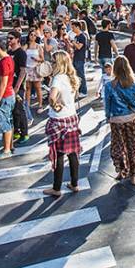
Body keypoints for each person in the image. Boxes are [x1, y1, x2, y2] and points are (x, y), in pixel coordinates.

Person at [43, 51, 82, 197]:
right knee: (72, 153)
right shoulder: (70, 77)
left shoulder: (57, 79)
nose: (51, 64)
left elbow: (52, 98)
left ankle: (56, 188)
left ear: (58, 63)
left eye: (53, 62)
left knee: (59, 155)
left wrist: (55, 106)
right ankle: (74, 184)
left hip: (59, 120)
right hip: (71, 118)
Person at [103, 56, 135, 185]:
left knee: (118, 146)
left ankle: (122, 171)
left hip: (116, 120)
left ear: (115, 69)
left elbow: (107, 104)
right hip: (131, 118)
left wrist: (108, 117)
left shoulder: (109, 85)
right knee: (132, 146)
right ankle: (134, 176)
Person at [7, 31, 30, 143]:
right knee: (13, 110)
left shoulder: (21, 53)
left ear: (17, 39)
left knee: (20, 109)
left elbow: (23, 71)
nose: (9, 40)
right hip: (9, 85)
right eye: (8, 38)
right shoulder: (8, 52)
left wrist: (17, 87)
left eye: (11, 38)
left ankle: (24, 133)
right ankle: (16, 130)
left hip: (18, 87)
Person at [23, 30, 45, 110]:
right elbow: (22, 54)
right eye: (31, 34)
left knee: (38, 87)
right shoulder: (26, 46)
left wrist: (37, 59)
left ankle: (40, 105)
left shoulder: (38, 46)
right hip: (27, 68)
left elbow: (42, 59)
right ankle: (27, 105)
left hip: (35, 68)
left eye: (34, 35)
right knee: (28, 88)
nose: (32, 36)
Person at [70, 21, 89, 97]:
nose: (72, 29)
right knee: (76, 75)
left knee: (81, 75)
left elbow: (79, 47)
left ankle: (84, 91)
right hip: (75, 57)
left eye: (73, 27)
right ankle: (78, 90)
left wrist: (73, 42)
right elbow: (74, 47)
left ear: (78, 27)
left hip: (80, 58)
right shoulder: (76, 37)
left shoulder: (82, 36)